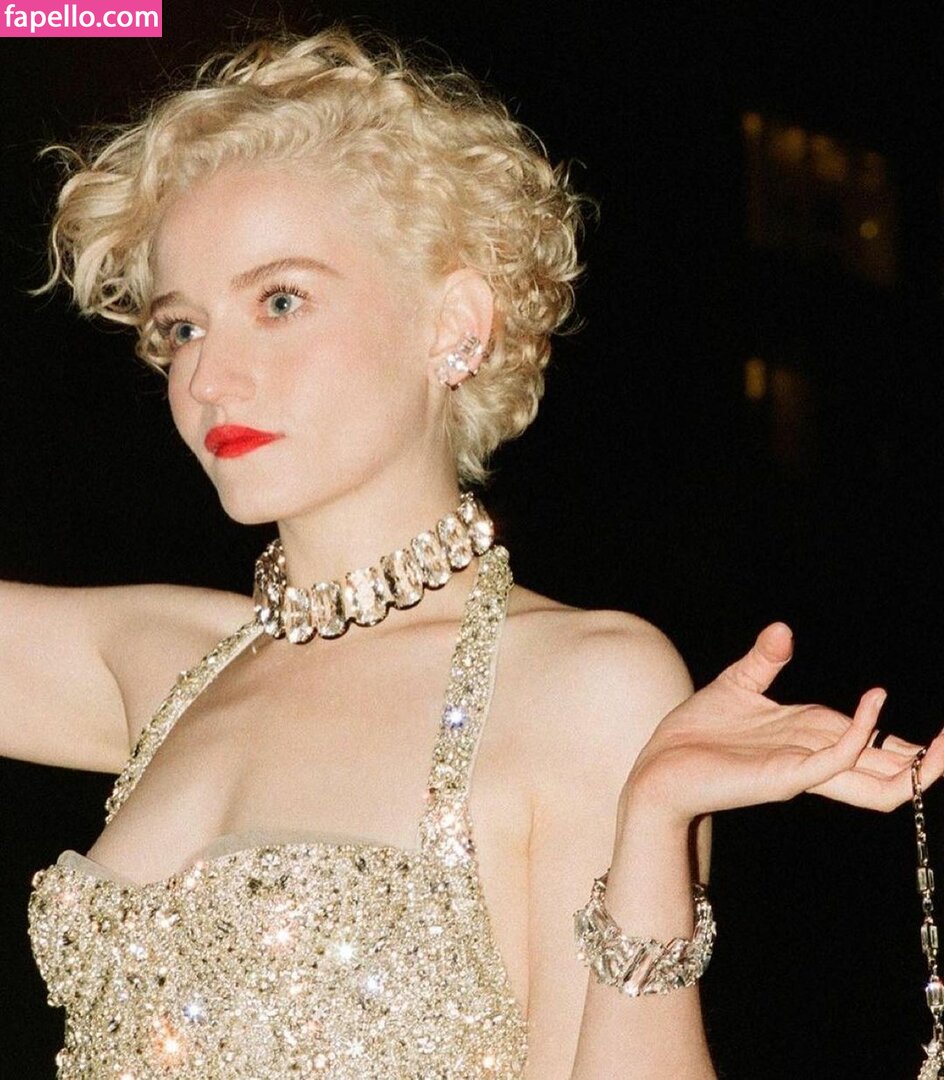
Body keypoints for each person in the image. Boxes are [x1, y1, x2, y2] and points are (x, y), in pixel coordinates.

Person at [8, 27, 942, 1079]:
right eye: (182, 327)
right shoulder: (162, 662)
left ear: (452, 322)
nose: (208, 378)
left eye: (279, 302)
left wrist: (652, 832)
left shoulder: (581, 683)